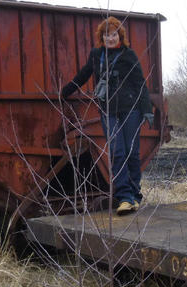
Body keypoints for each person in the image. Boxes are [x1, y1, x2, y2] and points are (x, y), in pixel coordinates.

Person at [61, 17, 154, 215]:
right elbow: (83, 75)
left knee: (131, 152)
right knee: (117, 152)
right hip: (108, 109)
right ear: (101, 37)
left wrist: (147, 109)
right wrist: (64, 92)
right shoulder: (97, 55)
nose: (110, 38)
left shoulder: (128, 55)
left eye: (113, 34)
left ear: (119, 35)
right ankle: (124, 197)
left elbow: (140, 83)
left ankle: (135, 194)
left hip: (131, 109)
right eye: (106, 34)